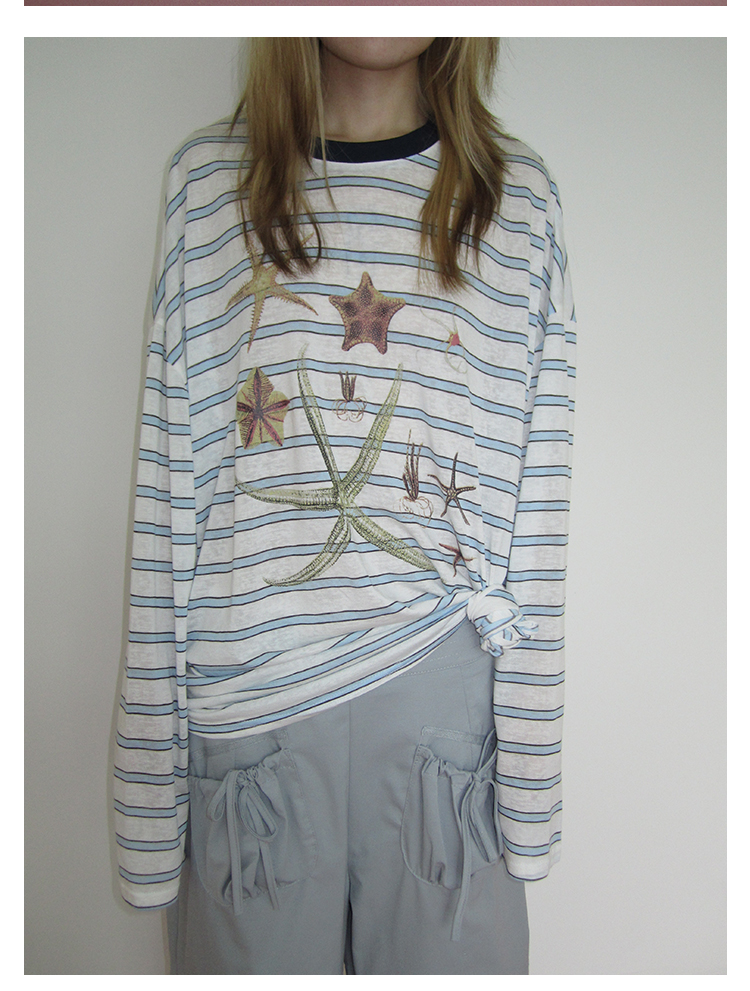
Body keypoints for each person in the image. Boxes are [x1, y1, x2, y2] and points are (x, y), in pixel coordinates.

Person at [114, 37, 575, 975]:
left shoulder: (516, 203)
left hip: (444, 732)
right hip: (253, 727)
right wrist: (148, 809)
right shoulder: (209, 188)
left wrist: (530, 788)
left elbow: (537, 518)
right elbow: (169, 496)